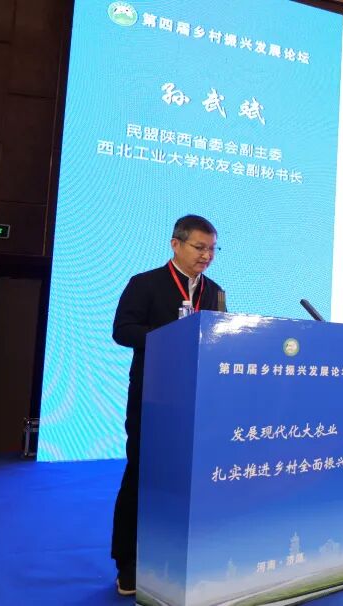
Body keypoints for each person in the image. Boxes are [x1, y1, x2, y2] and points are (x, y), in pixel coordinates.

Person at [109, 215, 225, 596]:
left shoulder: (215, 292)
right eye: (199, 247)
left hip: (196, 401)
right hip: (152, 398)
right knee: (142, 474)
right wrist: (172, 336)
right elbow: (122, 331)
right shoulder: (145, 284)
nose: (206, 256)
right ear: (175, 244)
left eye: (212, 249)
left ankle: (179, 557)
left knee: (189, 479)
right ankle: (129, 562)